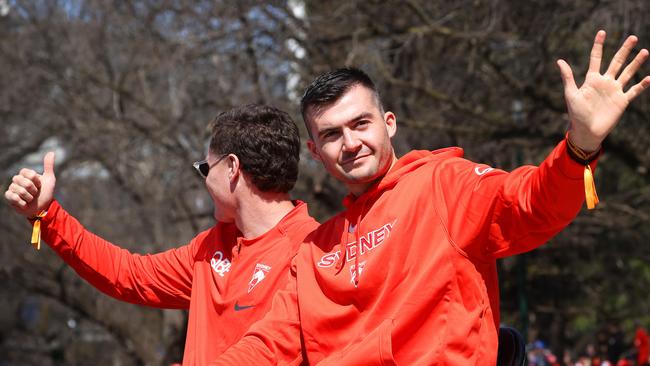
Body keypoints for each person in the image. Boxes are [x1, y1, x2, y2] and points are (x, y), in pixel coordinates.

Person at [211, 30, 649, 365]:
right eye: (331, 134)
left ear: (389, 124)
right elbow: (270, 342)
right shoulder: (314, 251)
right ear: (314, 152)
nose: (349, 143)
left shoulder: (444, 184)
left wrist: (581, 145)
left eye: (360, 124)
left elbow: (532, 201)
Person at [4, 104, 319, 365]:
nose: (204, 182)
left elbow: (274, 349)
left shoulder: (314, 250)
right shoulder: (211, 247)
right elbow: (128, 275)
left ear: (232, 168)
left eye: (205, 170)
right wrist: (46, 215)